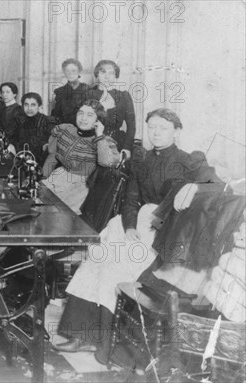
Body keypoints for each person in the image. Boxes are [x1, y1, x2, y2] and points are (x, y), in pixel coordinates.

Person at [53, 108, 225, 370]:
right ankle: (81, 335)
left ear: (177, 132)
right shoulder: (142, 162)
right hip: (139, 228)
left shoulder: (190, 160)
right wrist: (130, 226)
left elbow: (218, 185)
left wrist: (195, 186)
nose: (156, 133)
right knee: (94, 262)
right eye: (152, 127)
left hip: (166, 239)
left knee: (113, 271)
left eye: (163, 128)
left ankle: (104, 345)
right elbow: (131, 199)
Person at [41, 99, 121, 213]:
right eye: (80, 113)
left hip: (81, 187)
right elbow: (53, 155)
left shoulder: (104, 141)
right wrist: (44, 178)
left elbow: (106, 162)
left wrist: (99, 135)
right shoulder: (65, 130)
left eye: (89, 115)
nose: (83, 118)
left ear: (98, 121)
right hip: (58, 176)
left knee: (57, 214)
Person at [87, 59, 136, 157]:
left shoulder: (124, 96)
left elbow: (131, 126)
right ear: (97, 74)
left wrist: (127, 147)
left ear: (116, 76)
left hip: (117, 142)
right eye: (103, 72)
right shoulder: (88, 94)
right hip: (91, 141)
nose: (107, 76)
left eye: (111, 73)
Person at [12, 92, 57, 167]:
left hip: (43, 164)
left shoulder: (48, 121)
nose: (29, 108)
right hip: (22, 162)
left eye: (33, 105)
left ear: (39, 106)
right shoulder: (19, 121)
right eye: (26, 105)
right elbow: (12, 139)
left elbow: (53, 145)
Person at [51, 58, 90, 126]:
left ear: (79, 72)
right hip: (65, 130)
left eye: (74, 71)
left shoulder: (87, 90)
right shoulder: (59, 92)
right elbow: (56, 115)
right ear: (64, 73)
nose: (70, 74)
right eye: (67, 71)